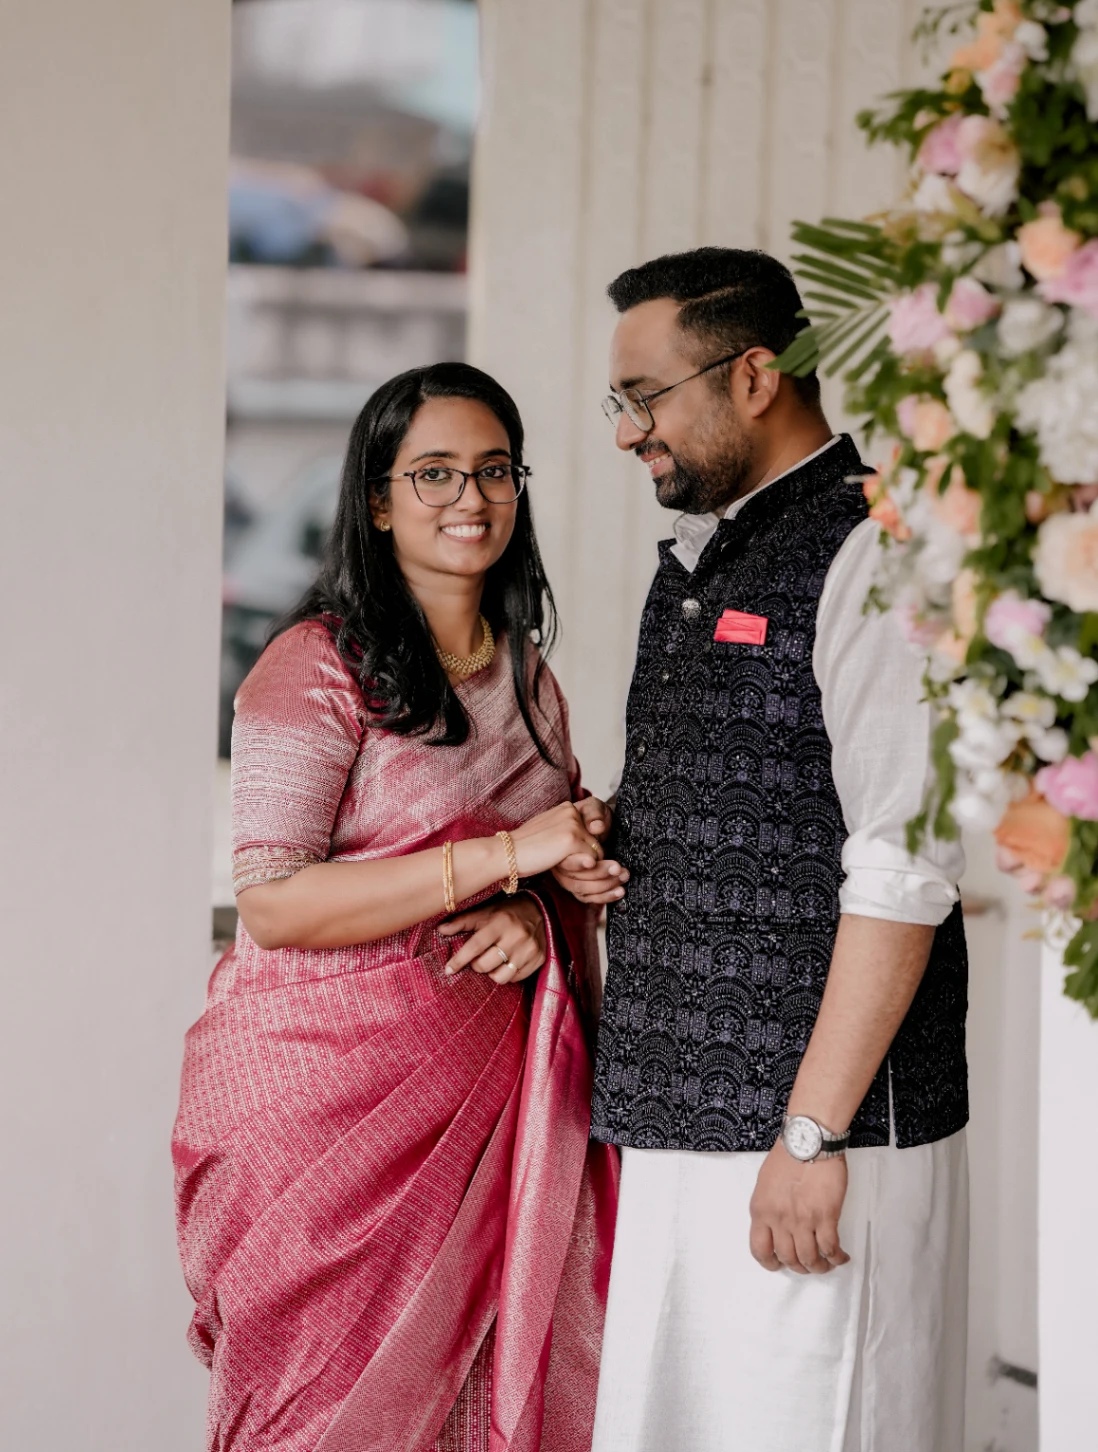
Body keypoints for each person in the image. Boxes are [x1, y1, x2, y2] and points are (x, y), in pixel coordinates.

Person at [556, 250, 968, 1452]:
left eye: (645, 395)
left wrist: (811, 1134)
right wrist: (611, 836)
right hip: (681, 1123)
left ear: (751, 377)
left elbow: (903, 864)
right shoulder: (700, 555)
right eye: (618, 403)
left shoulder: (875, 549)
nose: (628, 433)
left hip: (813, 1144)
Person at [174, 363, 624, 1452]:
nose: (469, 499)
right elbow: (274, 902)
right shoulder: (313, 668)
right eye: (433, 474)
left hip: (489, 1125)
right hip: (318, 1117)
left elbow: (554, 877)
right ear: (377, 500)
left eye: (493, 471)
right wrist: (509, 855)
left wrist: (537, 908)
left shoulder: (527, 682)